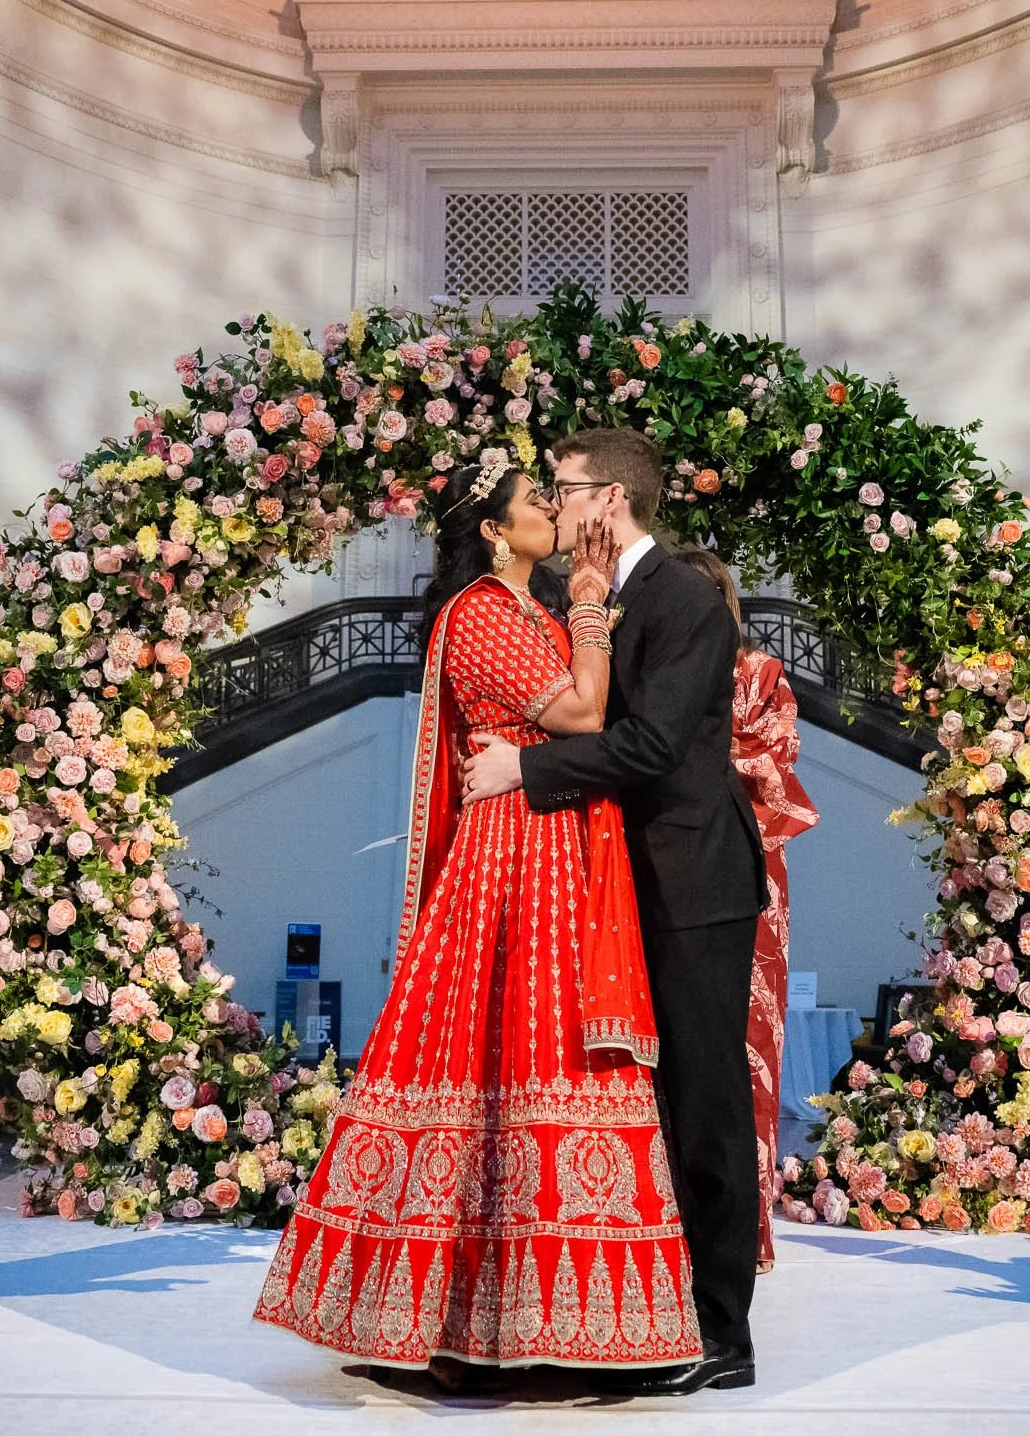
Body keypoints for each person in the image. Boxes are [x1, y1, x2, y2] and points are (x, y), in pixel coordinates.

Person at [253, 457, 703, 1383]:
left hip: (557, 841)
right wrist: (589, 603)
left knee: (546, 1058)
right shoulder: (480, 614)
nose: (553, 510)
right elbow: (583, 712)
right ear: (495, 532)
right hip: (513, 855)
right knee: (501, 1056)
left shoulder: (531, 612)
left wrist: (577, 610)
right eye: (537, 504)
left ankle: (541, 1326)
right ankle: (450, 1325)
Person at [462, 428, 766, 1396]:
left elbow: (646, 744)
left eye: (565, 488)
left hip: (688, 883)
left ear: (612, 498)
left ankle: (723, 1334)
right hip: (612, 882)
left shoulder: (685, 600)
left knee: (703, 1105)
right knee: (638, 1103)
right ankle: (646, 1315)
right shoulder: (578, 595)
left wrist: (526, 765)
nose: (554, 505)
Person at [667, 547, 817, 1274]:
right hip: (665, 867)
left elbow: (773, 758)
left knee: (744, 1046)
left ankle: (739, 1231)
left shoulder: (759, 673)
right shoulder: (648, 670)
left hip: (747, 866)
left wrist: (678, 745)